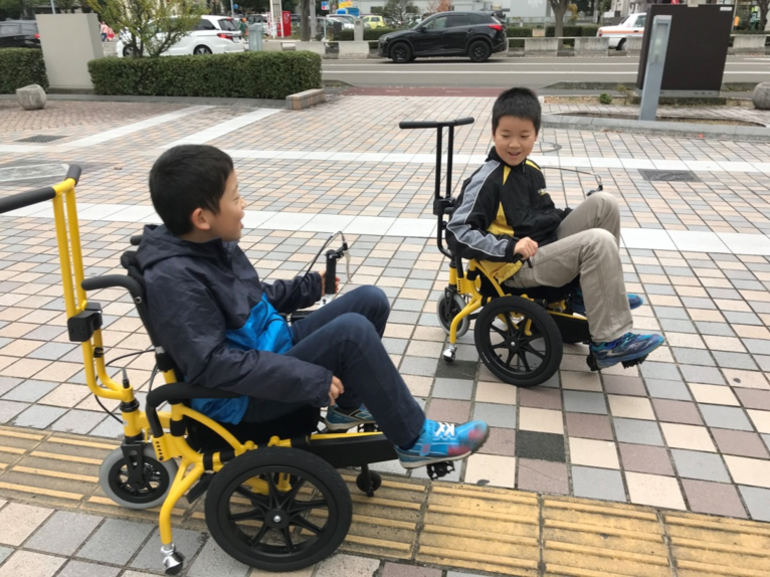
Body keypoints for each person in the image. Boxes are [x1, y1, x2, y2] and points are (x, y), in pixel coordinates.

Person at [136, 144, 489, 470]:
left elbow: (252, 297)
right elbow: (212, 365)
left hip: (271, 353)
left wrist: (311, 288)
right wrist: (308, 378)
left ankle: (346, 408)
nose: (243, 206)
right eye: (235, 197)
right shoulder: (174, 279)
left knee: (369, 300)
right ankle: (415, 441)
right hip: (242, 398)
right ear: (202, 218)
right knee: (351, 335)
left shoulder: (209, 246)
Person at [446, 87, 665, 370]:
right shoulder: (487, 179)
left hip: (545, 247)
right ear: (493, 133)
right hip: (515, 266)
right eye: (506, 135)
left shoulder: (531, 168)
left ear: (535, 135)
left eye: (524, 136)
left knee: (604, 203)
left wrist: (577, 216)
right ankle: (608, 342)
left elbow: (545, 213)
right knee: (596, 242)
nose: (514, 144)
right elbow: (457, 232)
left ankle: (586, 294)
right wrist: (510, 246)